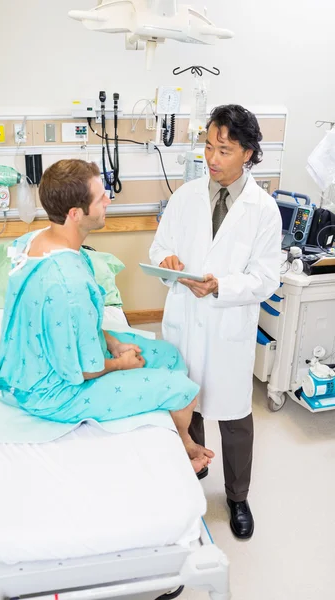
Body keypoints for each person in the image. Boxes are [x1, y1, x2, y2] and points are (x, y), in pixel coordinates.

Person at [0, 159, 214, 474]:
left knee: (169, 354)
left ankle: (178, 434)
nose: (109, 200)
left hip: (37, 361)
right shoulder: (70, 284)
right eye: (100, 198)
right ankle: (182, 449)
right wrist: (120, 364)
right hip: (53, 391)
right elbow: (82, 371)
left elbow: (71, 324)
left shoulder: (40, 240)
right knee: (183, 390)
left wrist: (110, 340)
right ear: (76, 214)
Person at [149, 105, 282, 539]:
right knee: (190, 402)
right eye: (208, 146)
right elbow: (159, 248)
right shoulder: (185, 197)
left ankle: (238, 496)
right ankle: (194, 468)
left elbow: (265, 279)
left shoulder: (263, 210)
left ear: (247, 153)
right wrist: (166, 261)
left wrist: (220, 285)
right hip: (186, 319)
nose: (211, 158)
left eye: (223, 149)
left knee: (235, 418)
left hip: (227, 327)